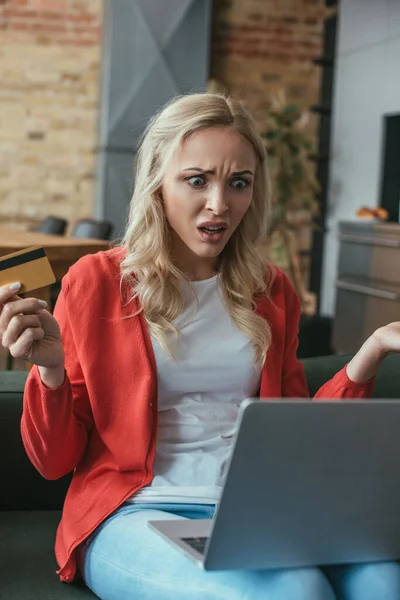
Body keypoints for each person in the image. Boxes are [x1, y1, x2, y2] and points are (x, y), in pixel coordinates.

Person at [1, 93, 400, 600]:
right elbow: (55, 461)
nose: (219, 204)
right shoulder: (96, 282)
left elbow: (296, 433)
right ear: (157, 185)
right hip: (136, 509)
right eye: (197, 180)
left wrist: (368, 355)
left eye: (239, 183)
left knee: (385, 581)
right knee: (296, 592)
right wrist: (50, 374)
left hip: (256, 508)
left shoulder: (271, 289)